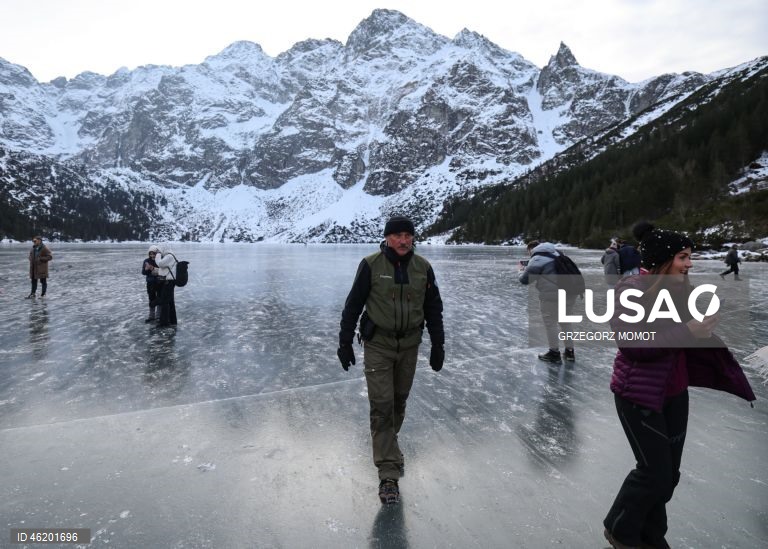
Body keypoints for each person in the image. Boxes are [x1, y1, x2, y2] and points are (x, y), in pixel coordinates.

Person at [602, 221, 755, 549]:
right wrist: (689, 330)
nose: (690, 263)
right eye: (684, 257)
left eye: (690, 257)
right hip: (638, 395)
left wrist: (704, 325)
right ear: (663, 259)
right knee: (653, 473)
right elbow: (633, 344)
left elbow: (681, 335)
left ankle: (652, 536)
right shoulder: (631, 290)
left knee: (668, 477)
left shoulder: (677, 290)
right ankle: (620, 529)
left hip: (674, 392)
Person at [337, 215, 444, 505]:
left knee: (398, 401)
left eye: (407, 235)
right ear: (386, 238)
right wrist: (345, 341)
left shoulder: (423, 268)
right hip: (379, 345)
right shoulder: (371, 265)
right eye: (396, 235)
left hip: (409, 345)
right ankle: (388, 473)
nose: (402, 240)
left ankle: (389, 446)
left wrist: (438, 344)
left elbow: (434, 309)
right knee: (382, 404)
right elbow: (353, 304)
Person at [519, 241, 576, 363]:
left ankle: (554, 353)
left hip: (552, 296)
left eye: (528, 252)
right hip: (570, 293)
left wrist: (521, 270)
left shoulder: (537, 258)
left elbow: (525, 280)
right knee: (566, 323)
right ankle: (570, 352)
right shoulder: (557, 253)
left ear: (531, 249)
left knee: (551, 323)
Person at [155, 245, 178, 326]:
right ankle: (172, 320)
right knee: (170, 302)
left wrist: (158, 255)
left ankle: (164, 322)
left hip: (168, 282)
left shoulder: (169, 256)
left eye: (160, 250)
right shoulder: (169, 256)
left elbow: (160, 264)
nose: (159, 252)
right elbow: (163, 268)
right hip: (169, 282)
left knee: (165, 302)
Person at [142, 246, 161, 322]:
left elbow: (162, 271)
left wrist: (154, 269)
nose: (152, 255)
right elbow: (143, 272)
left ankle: (158, 316)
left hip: (159, 283)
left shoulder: (159, 261)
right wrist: (146, 269)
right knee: (151, 299)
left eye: (154, 254)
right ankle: (151, 316)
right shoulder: (146, 261)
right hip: (150, 283)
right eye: (151, 254)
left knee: (159, 299)